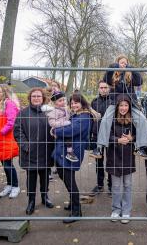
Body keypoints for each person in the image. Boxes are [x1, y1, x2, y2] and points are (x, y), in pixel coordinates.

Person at [90, 55, 147, 159]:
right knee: (105, 120)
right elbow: (106, 77)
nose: (123, 64)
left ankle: (140, 148)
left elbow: (140, 81)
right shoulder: (113, 75)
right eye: (121, 62)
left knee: (142, 119)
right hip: (115, 103)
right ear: (117, 63)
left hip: (130, 103)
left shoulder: (130, 76)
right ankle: (99, 149)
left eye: (125, 63)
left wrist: (130, 68)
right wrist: (116, 67)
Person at [51, 93, 94, 224]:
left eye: (76, 103)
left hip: (72, 153)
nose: (74, 105)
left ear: (82, 103)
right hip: (62, 151)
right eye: (72, 103)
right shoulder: (75, 115)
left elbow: (71, 130)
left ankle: (76, 211)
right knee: (64, 177)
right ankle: (72, 203)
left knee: (70, 181)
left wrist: (54, 131)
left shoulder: (85, 117)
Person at [14, 88, 55, 215]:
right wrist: (25, 146)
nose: (36, 98)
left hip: (46, 151)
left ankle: (44, 197)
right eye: (33, 96)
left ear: (43, 98)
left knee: (45, 177)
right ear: (30, 98)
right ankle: (31, 201)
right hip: (30, 153)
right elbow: (17, 131)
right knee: (31, 178)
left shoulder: (49, 112)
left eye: (38, 96)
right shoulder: (23, 113)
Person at [106, 94, 136, 224]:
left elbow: (137, 135)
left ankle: (126, 211)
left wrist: (131, 138)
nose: (123, 108)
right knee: (116, 186)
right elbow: (106, 136)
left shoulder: (134, 120)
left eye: (126, 105)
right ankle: (116, 210)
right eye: (121, 105)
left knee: (128, 185)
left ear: (129, 107)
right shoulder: (110, 119)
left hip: (128, 157)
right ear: (117, 107)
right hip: (114, 156)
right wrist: (118, 140)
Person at [0, 84, 21, 199]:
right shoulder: (1, 104)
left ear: (5, 92)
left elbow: (11, 122)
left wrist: (1, 132)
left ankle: (15, 186)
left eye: (0, 92)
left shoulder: (9, 103)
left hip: (7, 139)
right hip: (1, 139)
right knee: (4, 164)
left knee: (8, 164)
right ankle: (9, 185)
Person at [89, 80, 113, 196]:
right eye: (101, 87)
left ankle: (111, 185)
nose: (103, 89)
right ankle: (99, 185)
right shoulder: (94, 102)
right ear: (98, 89)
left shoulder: (113, 101)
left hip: (110, 135)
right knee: (98, 161)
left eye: (105, 87)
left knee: (110, 160)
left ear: (109, 88)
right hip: (97, 135)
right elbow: (90, 119)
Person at [43, 91, 78, 162]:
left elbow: (69, 115)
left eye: (64, 100)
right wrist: (65, 123)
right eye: (60, 101)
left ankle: (64, 155)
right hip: (58, 128)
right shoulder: (53, 111)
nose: (63, 102)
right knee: (67, 138)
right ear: (55, 102)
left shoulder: (65, 109)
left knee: (68, 138)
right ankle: (69, 153)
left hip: (65, 127)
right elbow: (52, 123)